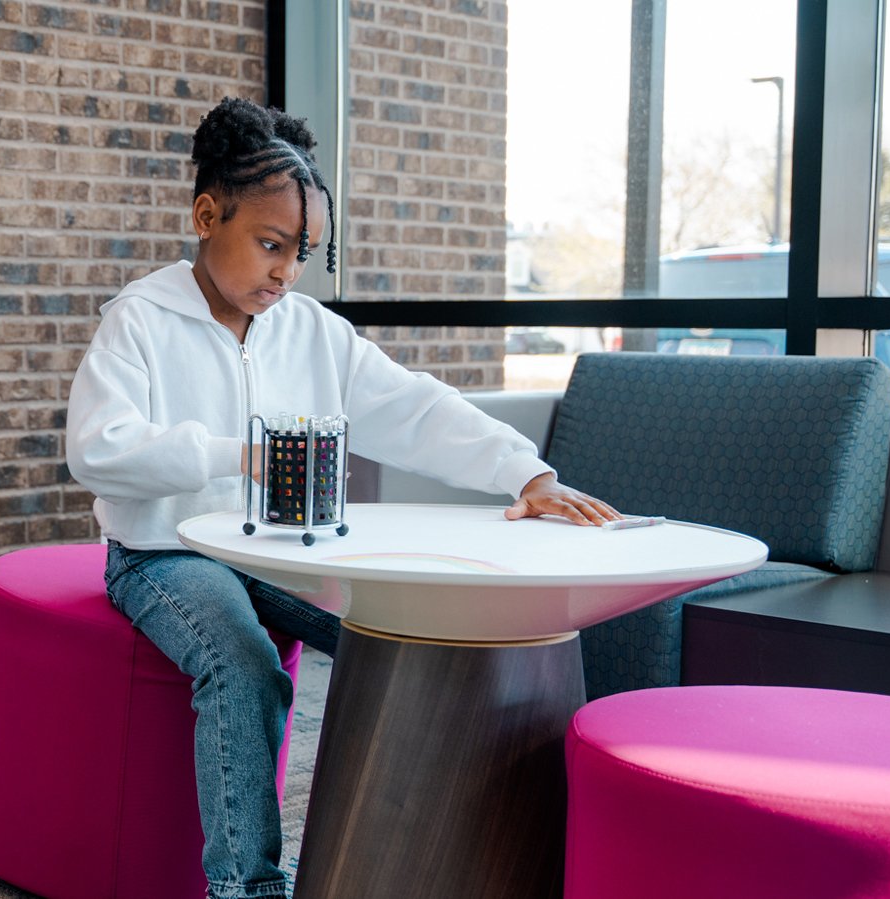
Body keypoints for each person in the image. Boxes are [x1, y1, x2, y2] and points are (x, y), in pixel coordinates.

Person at [64, 98, 619, 899]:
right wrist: (240, 454)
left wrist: (523, 472)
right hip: (165, 553)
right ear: (205, 214)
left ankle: (431, 859)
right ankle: (247, 888)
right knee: (245, 664)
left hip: (282, 547)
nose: (287, 270)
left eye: (304, 252)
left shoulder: (312, 330)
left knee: (421, 633)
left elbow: (413, 406)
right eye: (269, 245)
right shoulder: (140, 320)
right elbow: (98, 448)